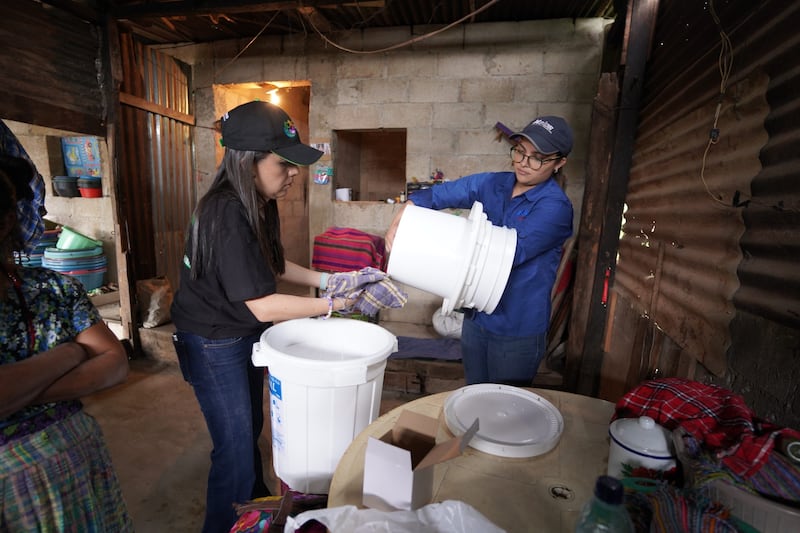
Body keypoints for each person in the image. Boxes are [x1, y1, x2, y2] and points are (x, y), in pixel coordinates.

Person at [170, 101, 380, 533]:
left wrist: (332, 280)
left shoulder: (258, 202)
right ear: (248, 162)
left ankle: (256, 513)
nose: (294, 174)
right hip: (212, 341)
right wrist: (339, 305)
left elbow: (274, 265)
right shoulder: (225, 212)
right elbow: (263, 304)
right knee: (234, 448)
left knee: (251, 431)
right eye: (284, 164)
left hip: (239, 333)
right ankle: (224, 524)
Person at [387, 115, 574, 386]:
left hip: (516, 328)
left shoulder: (555, 208)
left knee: (504, 407)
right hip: (477, 319)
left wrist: (430, 255)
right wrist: (409, 207)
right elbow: (443, 193)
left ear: (559, 163)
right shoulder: (493, 184)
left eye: (538, 157)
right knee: (474, 392)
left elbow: (505, 254)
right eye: (520, 151)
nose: (523, 162)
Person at [0, 155, 133, 531]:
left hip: (79, 471)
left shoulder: (51, 287)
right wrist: (71, 353)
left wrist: (18, 392)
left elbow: (115, 363)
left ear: (6, 222)